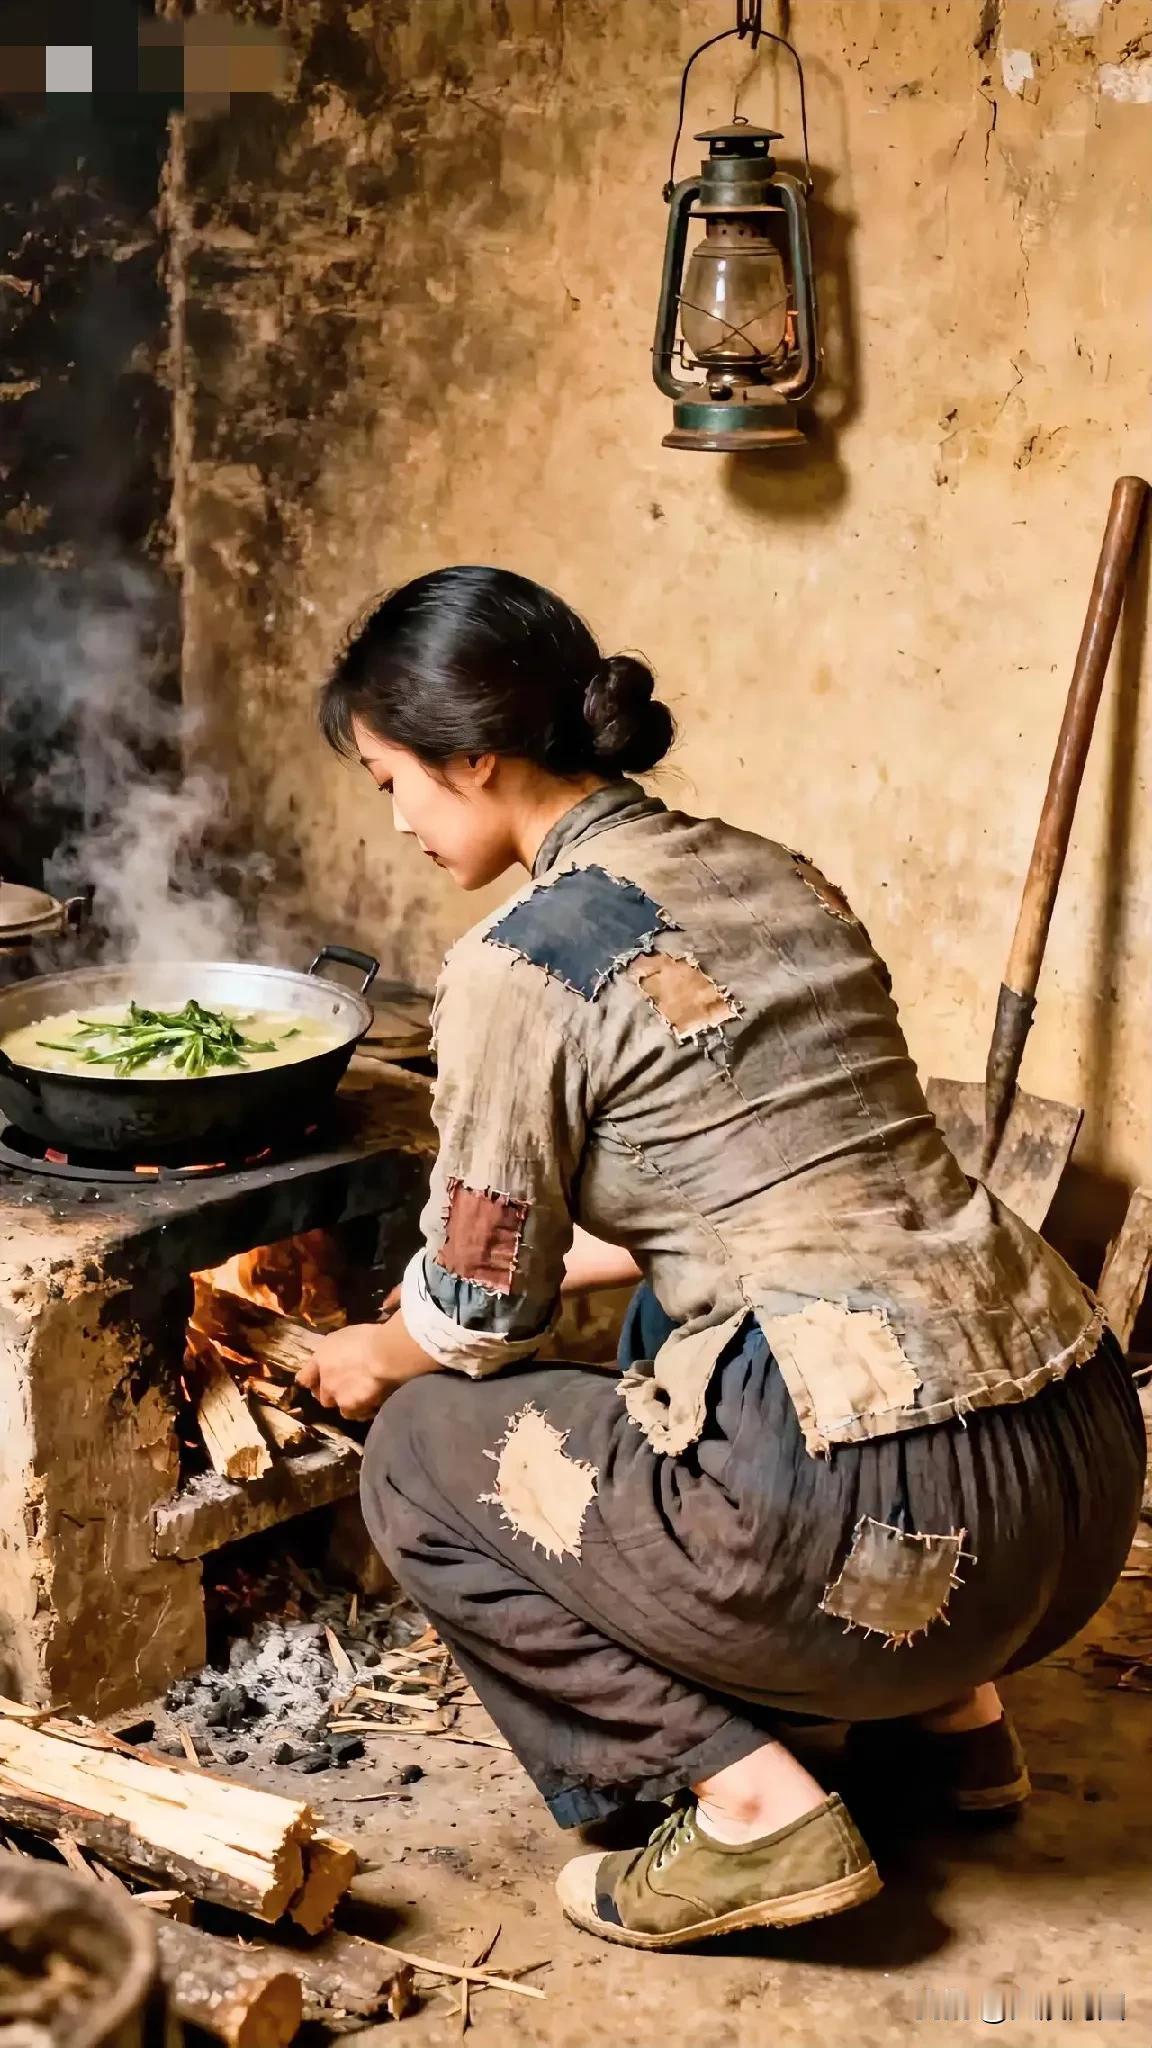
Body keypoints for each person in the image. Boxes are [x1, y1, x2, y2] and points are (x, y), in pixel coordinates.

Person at [298, 565, 1144, 1952]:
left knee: (419, 1455)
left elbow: (472, 1314)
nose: (397, 819)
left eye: (392, 780)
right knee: (671, 1341)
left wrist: (380, 1349)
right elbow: (764, 1188)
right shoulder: (770, 872)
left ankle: (753, 1814)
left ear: (475, 757)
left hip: (882, 1516)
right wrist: (542, 1275)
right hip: (1078, 1476)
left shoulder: (523, 959)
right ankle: (956, 1730)